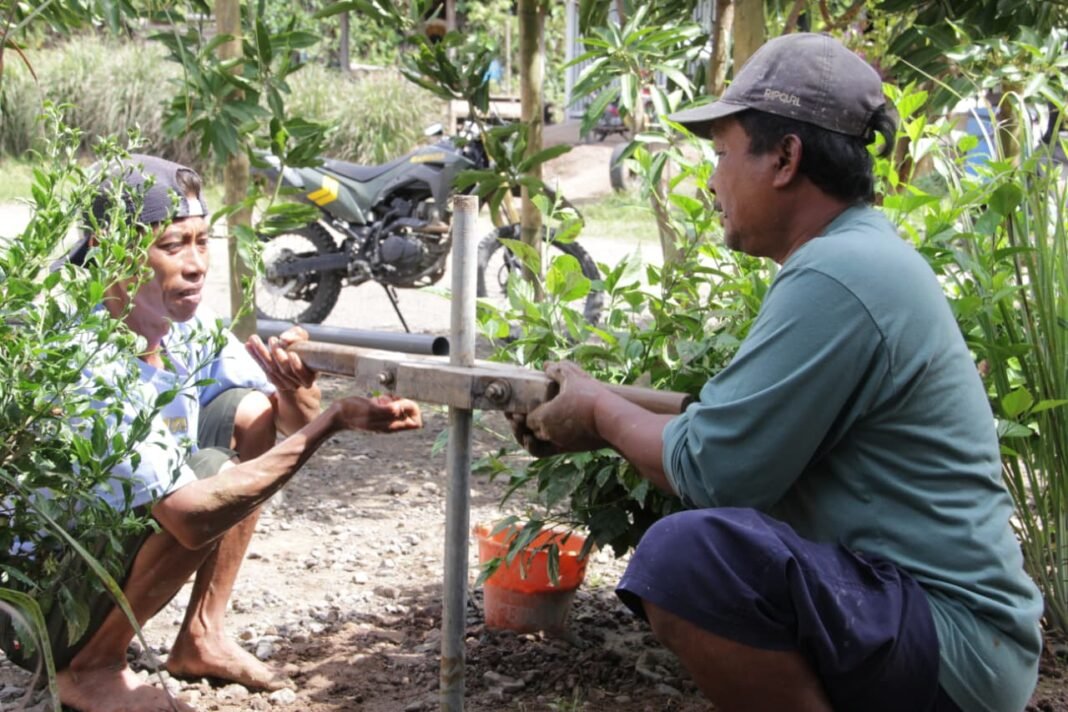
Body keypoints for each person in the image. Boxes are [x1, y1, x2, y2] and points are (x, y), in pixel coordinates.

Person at [512, 33, 1042, 712]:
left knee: (687, 561)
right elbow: (732, 421)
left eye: (722, 154)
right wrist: (589, 398)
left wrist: (600, 413)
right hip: (932, 623)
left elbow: (713, 464)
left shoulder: (838, 274)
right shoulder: (859, 255)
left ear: (786, 158)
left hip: (950, 639)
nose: (711, 180)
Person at [0, 155, 423, 712]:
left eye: (203, 241)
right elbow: (190, 515)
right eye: (173, 245)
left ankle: (202, 634)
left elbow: (282, 422)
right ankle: (90, 668)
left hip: (102, 560)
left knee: (248, 410)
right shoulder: (85, 357)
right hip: (43, 610)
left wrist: (296, 389)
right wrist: (332, 423)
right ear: (112, 250)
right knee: (211, 477)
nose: (198, 264)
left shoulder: (183, 329)